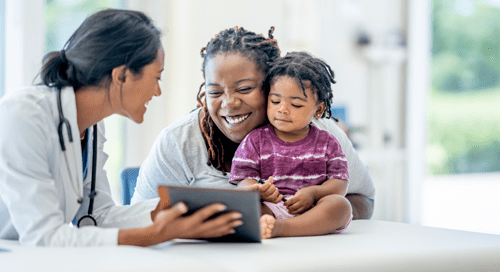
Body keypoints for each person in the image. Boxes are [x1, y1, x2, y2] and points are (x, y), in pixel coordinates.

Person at [0, 9, 242, 247]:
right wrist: (153, 235)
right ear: (122, 75)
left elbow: (97, 216)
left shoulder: (93, 127)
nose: (157, 91)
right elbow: (43, 237)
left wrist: (184, 207)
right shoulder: (22, 115)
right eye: (157, 77)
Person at [132, 26, 376, 220]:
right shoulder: (178, 142)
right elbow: (141, 216)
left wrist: (307, 211)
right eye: (215, 92)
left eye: (245, 88)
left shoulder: (319, 132)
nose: (228, 103)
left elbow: (365, 200)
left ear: (273, 84)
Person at [229, 51, 352, 239]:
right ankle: (272, 224)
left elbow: (339, 183)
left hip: (314, 210)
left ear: (318, 110)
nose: (282, 109)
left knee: (341, 206)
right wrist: (258, 191)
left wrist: (314, 193)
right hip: (270, 208)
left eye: (295, 105)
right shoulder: (255, 141)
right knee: (242, 205)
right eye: (275, 101)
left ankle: (282, 228)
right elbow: (243, 181)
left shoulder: (327, 143)